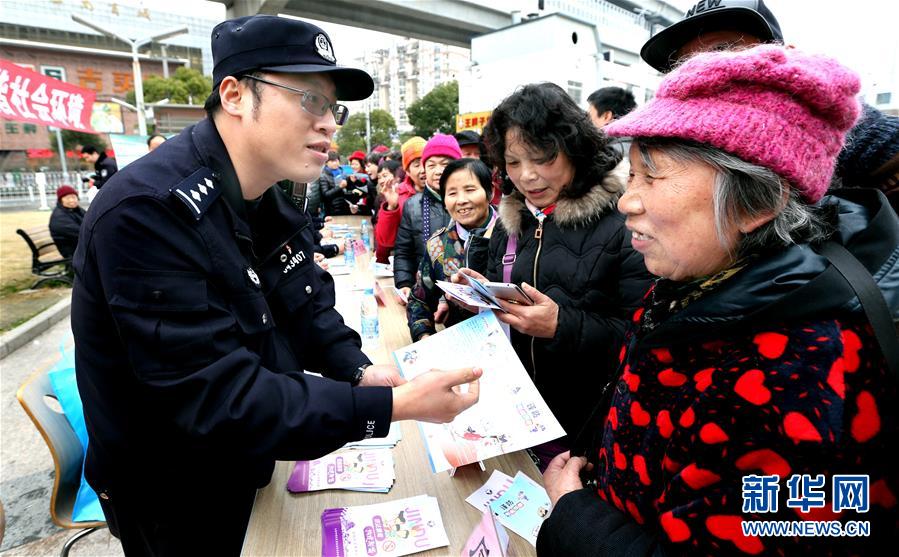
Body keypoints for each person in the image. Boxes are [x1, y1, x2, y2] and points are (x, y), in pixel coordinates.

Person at [71, 15, 482, 556]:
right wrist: (395, 404)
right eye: (309, 99)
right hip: (175, 489)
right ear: (236, 95)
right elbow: (221, 398)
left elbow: (304, 300)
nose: (329, 125)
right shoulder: (149, 214)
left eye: (332, 109)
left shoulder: (260, 193)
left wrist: (359, 370)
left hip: (247, 458)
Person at [538, 45, 899, 556]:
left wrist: (575, 516)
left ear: (757, 203)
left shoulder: (800, 380)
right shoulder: (699, 278)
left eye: (652, 174)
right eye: (631, 173)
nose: (626, 201)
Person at [455, 83, 651, 468]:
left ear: (573, 147)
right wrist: (476, 298)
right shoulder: (510, 223)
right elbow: (501, 317)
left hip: (589, 433)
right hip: (516, 417)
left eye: (542, 157)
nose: (527, 176)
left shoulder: (624, 224)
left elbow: (642, 340)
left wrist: (562, 325)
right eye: (513, 162)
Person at [639, 0, 899, 211]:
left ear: (788, 56)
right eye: (685, 64)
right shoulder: (687, 152)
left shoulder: (863, 141)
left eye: (724, 48)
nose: (705, 71)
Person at [407, 158, 497, 341]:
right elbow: (419, 301)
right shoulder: (438, 245)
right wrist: (424, 337)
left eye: (470, 190)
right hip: (462, 346)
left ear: (490, 192)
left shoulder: (515, 236)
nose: (461, 200)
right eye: (452, 193)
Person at [393, 134, 456, 301]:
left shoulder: (468, 203)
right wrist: (404, 284)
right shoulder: (412, 206)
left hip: (463, 299)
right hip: (425, 296)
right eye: (431, 165)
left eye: (445, 164)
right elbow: (403, 252)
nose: (438, 171)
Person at [375, 136, 426, 264]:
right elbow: (385, 240)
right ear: (407, 171)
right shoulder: (398, 193)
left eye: (427, 163)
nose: (423, 170)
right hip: (409, 266)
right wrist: (391, 207)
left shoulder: (446, 192)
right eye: (416, 165)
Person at [48, 185, 84, 258]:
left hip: (80, 247)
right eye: (68, 198)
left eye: (73, 197)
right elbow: (81, 234)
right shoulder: (59, 217)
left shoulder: (76, 210)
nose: (72, 200)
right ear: (61, 200)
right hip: (73, 252)